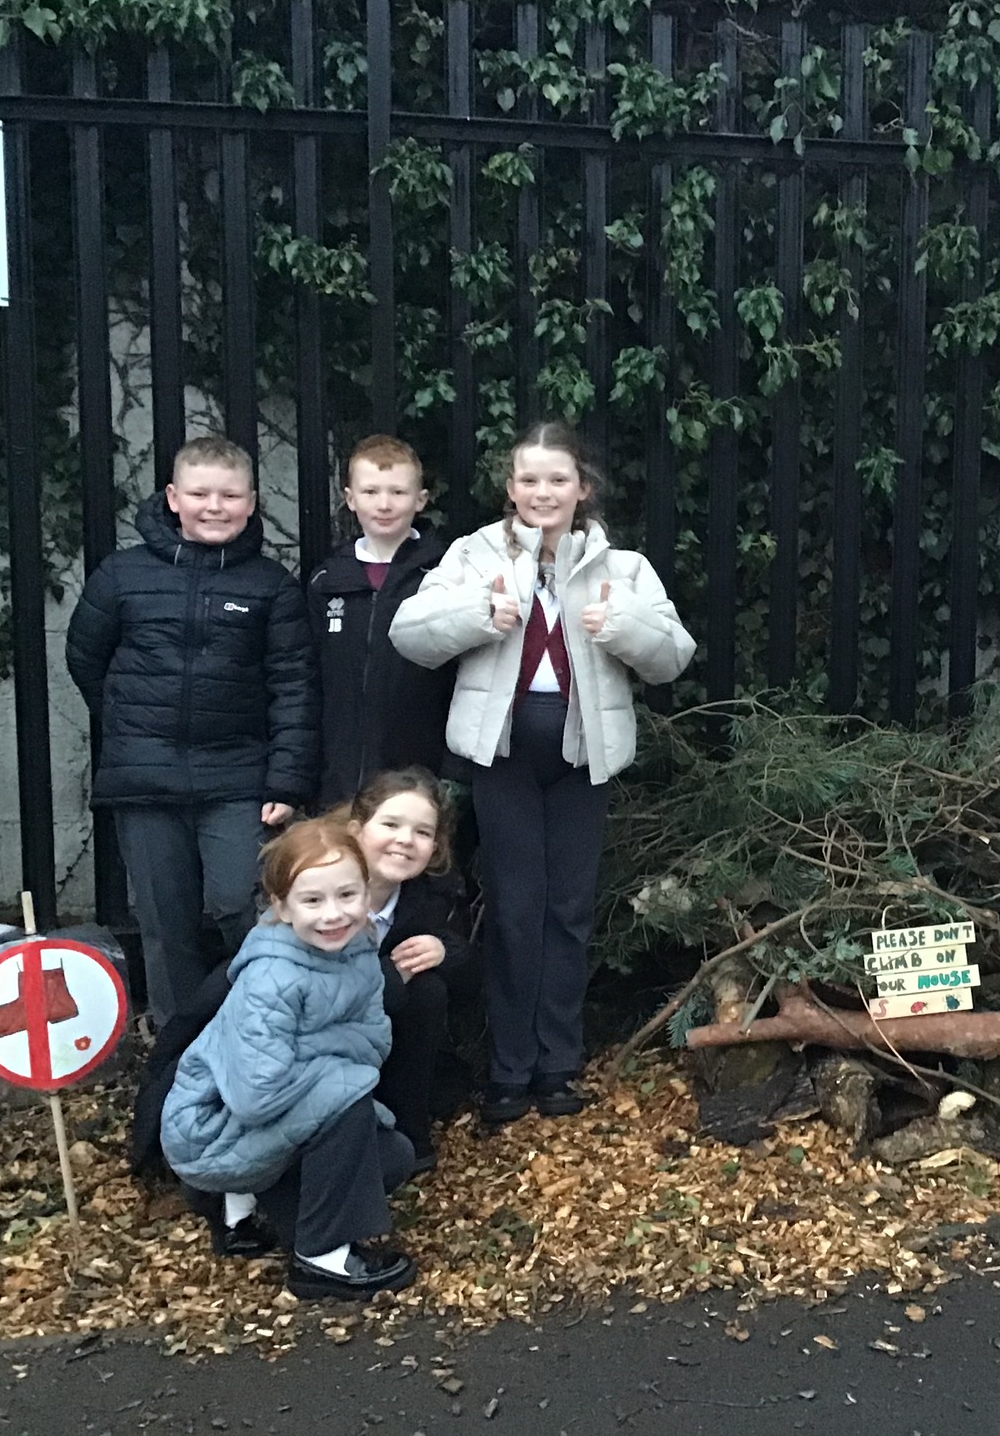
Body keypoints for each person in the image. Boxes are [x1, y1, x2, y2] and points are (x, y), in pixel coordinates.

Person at [390, 422, 696, 1127]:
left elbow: (672, 655)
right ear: (510, 488)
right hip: (503, 763)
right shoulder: (475, 555)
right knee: (516, 910)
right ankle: (508, 1070)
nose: (542, 492)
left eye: (557, 479)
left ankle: (557, 1065)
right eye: (528, 480)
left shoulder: (623, 567)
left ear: (581, 488)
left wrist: (620, 625)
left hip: (582, 761)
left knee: (568, 913)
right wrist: (476, 613)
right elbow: (411, 631)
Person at [65, 435, 317, 1030]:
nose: (214, 506)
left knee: (244, 907)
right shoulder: (121, 574)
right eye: (200, 493)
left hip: (238, 779)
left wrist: (286, 777)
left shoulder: (270, 586)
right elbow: (85, 658)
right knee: (165, 925)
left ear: (252, 502)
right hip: (145, 782)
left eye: (229, 495)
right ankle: (177, 1052)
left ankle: (254, 1029)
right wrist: (133, 723)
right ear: (173, 498)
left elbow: (294, 687)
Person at [161, 818, 418, 1301]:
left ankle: (246, 1204)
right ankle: (320, 1259)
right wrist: (339, 1063)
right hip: (213, 1127)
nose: (333, 915)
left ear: (367, 893)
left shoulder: (359, 954)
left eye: (348, 895)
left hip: (274, 1116)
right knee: (350, 1098)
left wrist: (331, 1061)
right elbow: (258, 1093)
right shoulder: (272, 977)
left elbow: (374, 1043)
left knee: (392, 1156)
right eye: (312, 901)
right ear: (281, 907)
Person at [308, 435, 458, 808]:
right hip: (337, 775)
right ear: (350, 498)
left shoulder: (447, 572)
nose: (384, 504)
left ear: (420, 500)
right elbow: (306, 679)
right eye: (371, 491)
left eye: (398, 492)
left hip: (418, 773)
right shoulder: (326, 580)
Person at [346, 767, 475, 1170]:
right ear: (356, 831)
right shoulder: (321, 887)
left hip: (381, 1044)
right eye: (390, 824)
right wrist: (386, 979)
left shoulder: (430, 892)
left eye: (422, 832)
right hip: (306, 1044)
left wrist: (444, 949)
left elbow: (473, 971)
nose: (405, 840)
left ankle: (410, 1128)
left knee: (427, 989)